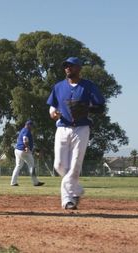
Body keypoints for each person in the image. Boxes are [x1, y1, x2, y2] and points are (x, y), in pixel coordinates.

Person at [46, 57, 105, 210]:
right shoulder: (58, 87)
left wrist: (87, 109)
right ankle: (76, 189)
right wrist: (53, 113)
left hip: (81, 128)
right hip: (62, 127)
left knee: (75, 164)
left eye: (71, 66)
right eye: (66, 66)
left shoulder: (88, 86)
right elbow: (52, 106)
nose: (67, 68)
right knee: (58, 165)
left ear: (79, 68)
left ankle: (68, 199)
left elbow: (100, 107)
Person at [10, 120, 45, 187]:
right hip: (24, 151)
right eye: (31, 125)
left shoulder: (23, 130)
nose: (32, 127)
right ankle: (36, 182)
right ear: (28, 125)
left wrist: (36, 150)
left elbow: (30, 143)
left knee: (18, 166)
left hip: (17, 150)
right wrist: (26, 147)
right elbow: (25, 138)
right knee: (31, 166)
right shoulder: (26, 131)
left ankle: (13, 182)